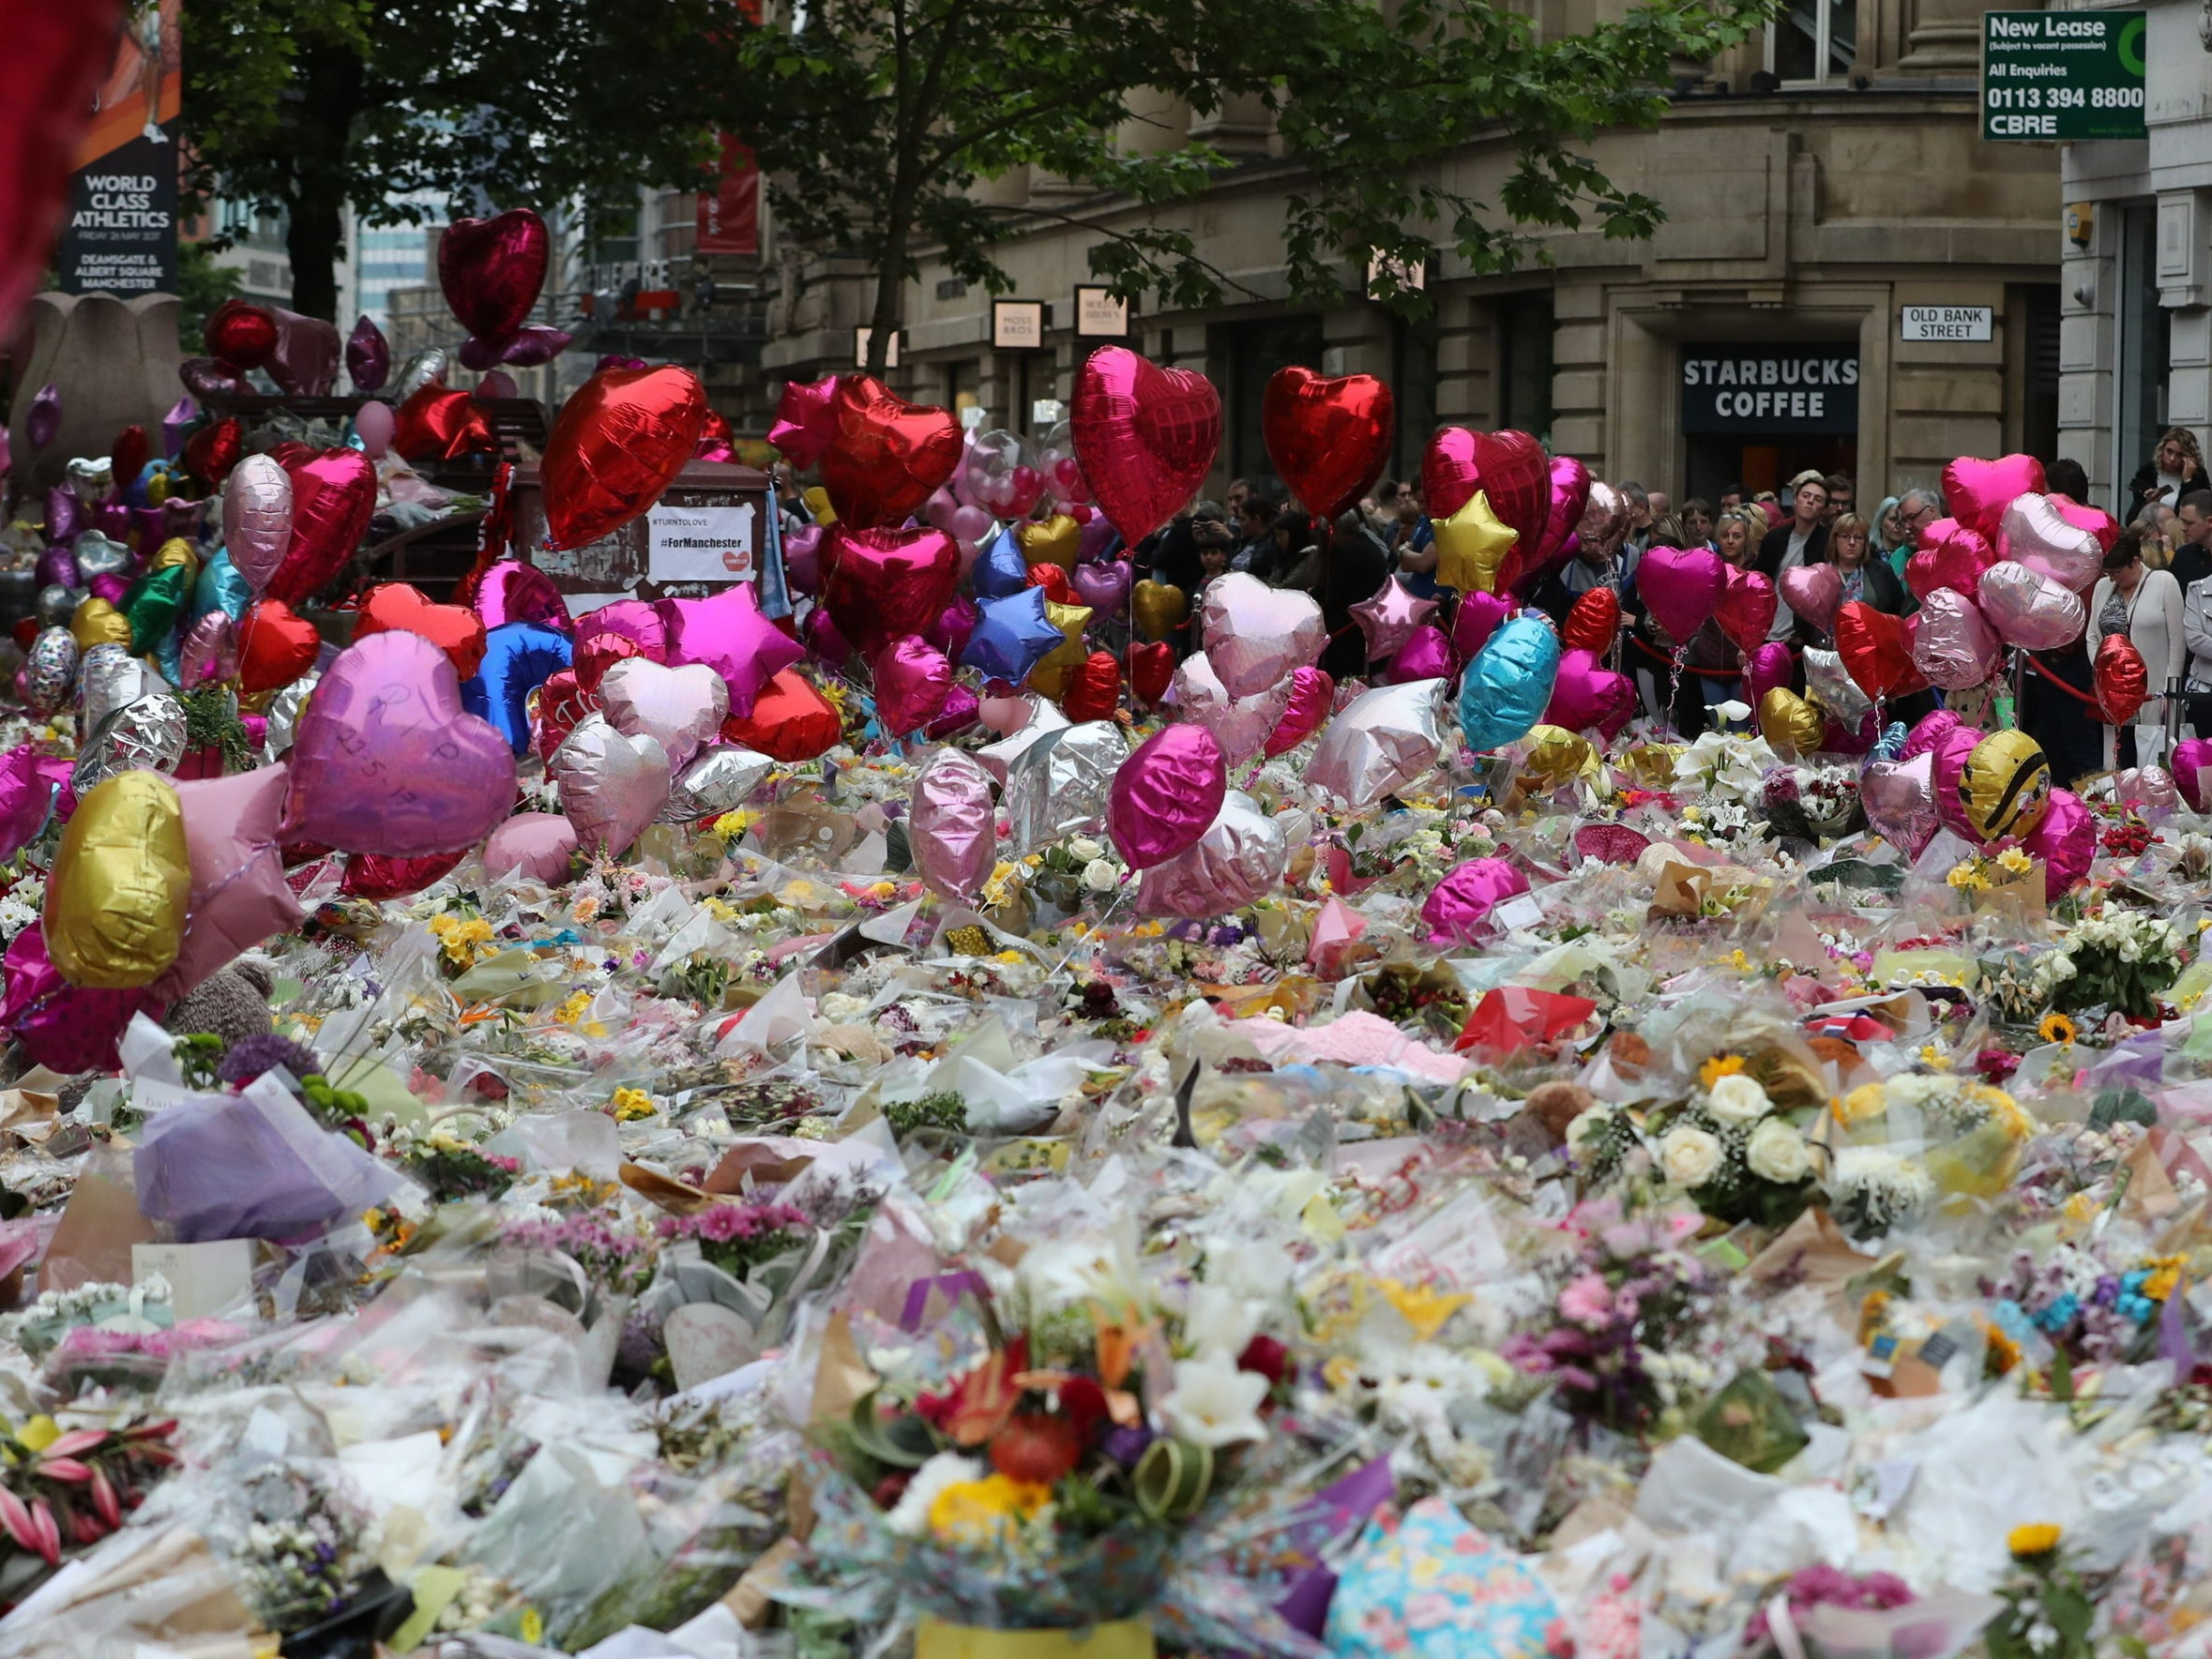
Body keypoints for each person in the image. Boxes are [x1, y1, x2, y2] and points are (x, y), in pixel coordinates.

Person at [2087, 526, 2186, 767]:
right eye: (2108, 572)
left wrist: (2170, 688)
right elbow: (2092, 636)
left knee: (2149, 756)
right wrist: (2103, 671)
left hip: (2153, 689)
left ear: (2135, 561)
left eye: (2117, 572)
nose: (2112, 578)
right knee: (2115, 755)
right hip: (2113, 689)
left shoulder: (2164, 582)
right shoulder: (2102, 587)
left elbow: (2177, 640)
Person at [1755, 472, 1829, 637]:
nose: (1810, 501)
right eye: (1806, 496)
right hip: (1768, 629)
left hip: (1803, 635)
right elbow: (1758, 581)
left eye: (1818, 499)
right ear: (1795, 500)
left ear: (1824, 509)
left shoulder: (1828, 543)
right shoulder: (1774, 538)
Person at [1321, 510, 1390, 680]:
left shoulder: (1348, 552)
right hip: (1367, 621)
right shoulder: (1371, 546)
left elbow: (1335, 591)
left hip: (1347, 626)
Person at [1816, 511, 1908, 614]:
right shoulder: (1820, 574)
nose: (1851, 542)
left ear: (1865, 542)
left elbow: (1899, 610)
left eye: (1858, 537)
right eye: (1845, 536)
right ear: (1835, 539)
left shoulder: (1882, 571)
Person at [2129, 427, 2207, 517]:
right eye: (2169, 451)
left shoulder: (2198, 478)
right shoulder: (2147, 474)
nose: (2172, 458)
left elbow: (2198, 515)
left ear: (2188, 457)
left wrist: (2188, 482)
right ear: (2162, 449)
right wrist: (2147, 503)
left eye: (2180, 455)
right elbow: (2132, 519)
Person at [2169, 490, 2212, 594]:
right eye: (2182, 521)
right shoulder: (2183, 556)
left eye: (2189, 523)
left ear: (2210, 522)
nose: (2183, 528)